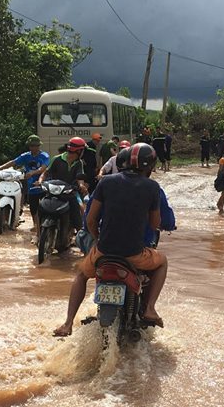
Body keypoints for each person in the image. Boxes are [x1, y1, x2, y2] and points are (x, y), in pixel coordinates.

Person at [53, 143, 168, 337]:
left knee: (81, 275)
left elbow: (91, 220)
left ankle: (67, 324)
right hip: (134, 255)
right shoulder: (152, 187)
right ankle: (149, 308)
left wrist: (98, 238)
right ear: (150, 166)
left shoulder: (106, 182)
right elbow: (155, 223)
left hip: (104, 252)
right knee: (162, 261)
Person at [0, 135, 49, 231]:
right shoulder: (26, 156)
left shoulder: (44, 156)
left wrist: (32, 173)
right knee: (33, 206)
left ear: (39, 146)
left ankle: (44, 224)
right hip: (30, 185)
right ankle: (35, 224)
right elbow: (13, 162)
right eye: (31, 146)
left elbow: (43, 168)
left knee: (45, 206)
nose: (32, 148)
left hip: (42, 184)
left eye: (34, 146)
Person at [39, 136, 87, 231]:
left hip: (70, 191)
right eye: (82, 150)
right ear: (78, 151)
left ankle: (80, 232)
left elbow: (80, 177)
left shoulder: (79, 163)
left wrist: (81, 185)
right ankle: (38, 232)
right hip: (54, 190)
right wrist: (40, 182)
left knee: (81, 207)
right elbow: (45, 173)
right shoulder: (57, 159)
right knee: (41, 205)